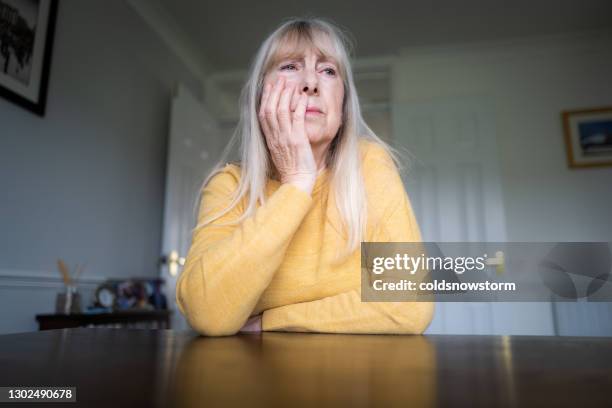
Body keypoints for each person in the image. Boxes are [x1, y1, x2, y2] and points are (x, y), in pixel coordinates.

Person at [176, 17, 434, 336]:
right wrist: (297, 184)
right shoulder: (227, 187)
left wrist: (273, 320)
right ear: (261, 96)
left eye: (328, 70)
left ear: (342, 103)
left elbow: (409, 303)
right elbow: (207, 313)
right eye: (289, 66)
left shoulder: (369, 164)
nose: (311, 82)